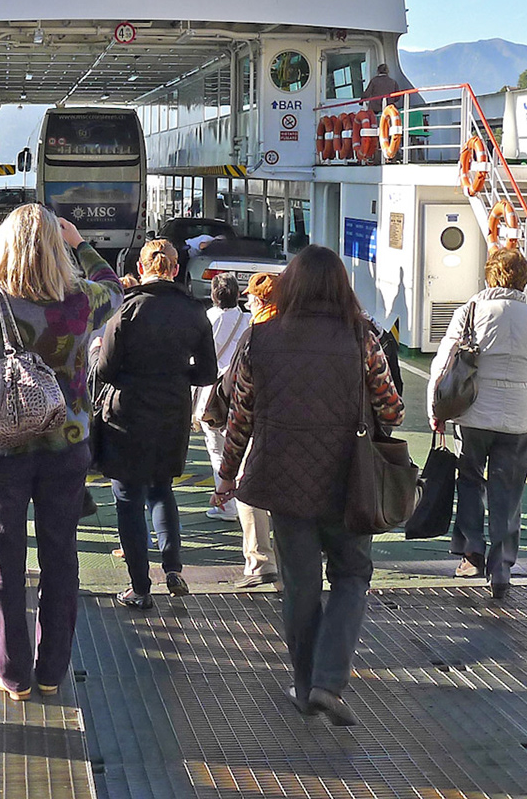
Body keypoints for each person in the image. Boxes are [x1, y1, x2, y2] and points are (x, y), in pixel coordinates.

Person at [0, 205, 123, 702]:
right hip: (68, 448)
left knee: (4, 563)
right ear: (56, 249)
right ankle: (52, 669)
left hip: (2, 451)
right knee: (61, 559)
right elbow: (116, 288)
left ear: (4, 249)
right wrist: (81, 243)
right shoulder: (81, 300)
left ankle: (13, 675)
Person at [211, 246, 403, 727]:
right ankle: (328, 681)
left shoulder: (261, 338)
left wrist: (228, 473)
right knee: (352, 576)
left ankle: (303, 685)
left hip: (281, 478)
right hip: (348, 479)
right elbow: (392, 409)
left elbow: (241, 416)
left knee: (300, 587)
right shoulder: (362, 337)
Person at [426, 247, 527, 600]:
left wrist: (437, 409)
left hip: (473, 415)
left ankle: (472, 553)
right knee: (508, 494)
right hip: (519, 420)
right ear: (526, 280)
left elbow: (443, 365)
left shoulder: (470, 311)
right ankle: (502, 566)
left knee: (471, 483)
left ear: (490, 277)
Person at [93, 240, 218, 607]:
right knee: (161, 490)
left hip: (126, 416)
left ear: (142, 266)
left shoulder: (128, 310)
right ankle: (173, 565)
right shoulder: (194, 311)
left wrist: (99, 349)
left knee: (128, 500)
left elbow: (105, 370)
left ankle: (140, 588)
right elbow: (208, 372)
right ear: (177, 269)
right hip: (172, 413)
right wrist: (176, 373)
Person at [199, 272, 280, 588]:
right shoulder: (307, 334)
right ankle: (291, 567)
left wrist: (227, 477)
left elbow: (240, 406)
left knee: (250, 491)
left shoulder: (256, 338)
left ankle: (260, 561)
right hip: (306, 433)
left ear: (259, 300)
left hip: (259, 428)